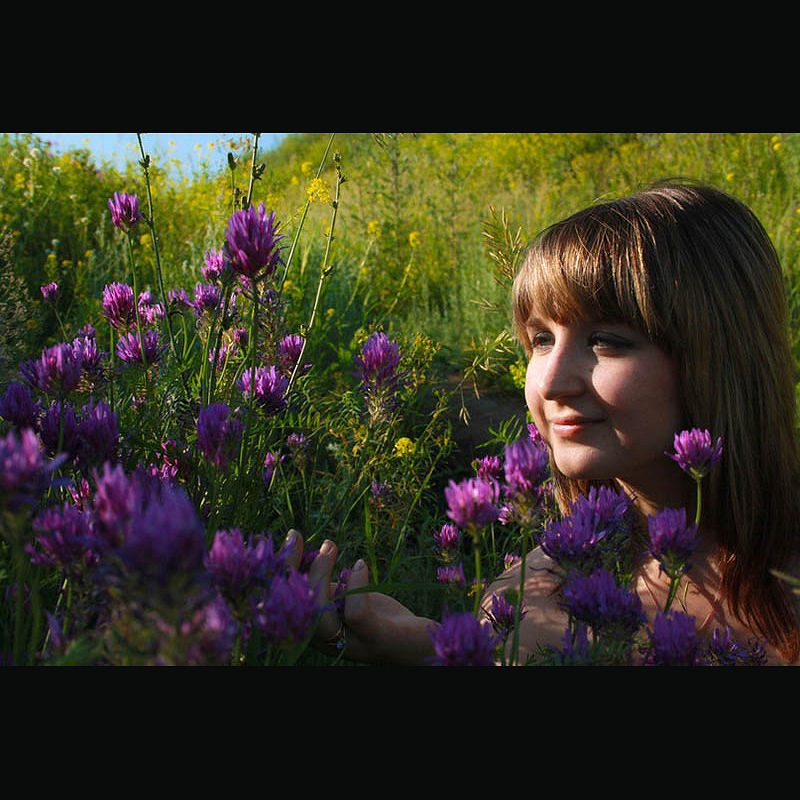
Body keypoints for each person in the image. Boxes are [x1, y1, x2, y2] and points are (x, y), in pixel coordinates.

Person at [284, 180, 800, 665]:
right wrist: (414, 643)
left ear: (719, 355)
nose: (550, 382)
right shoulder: (530, 590)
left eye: (606, 341)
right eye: (541, 340)